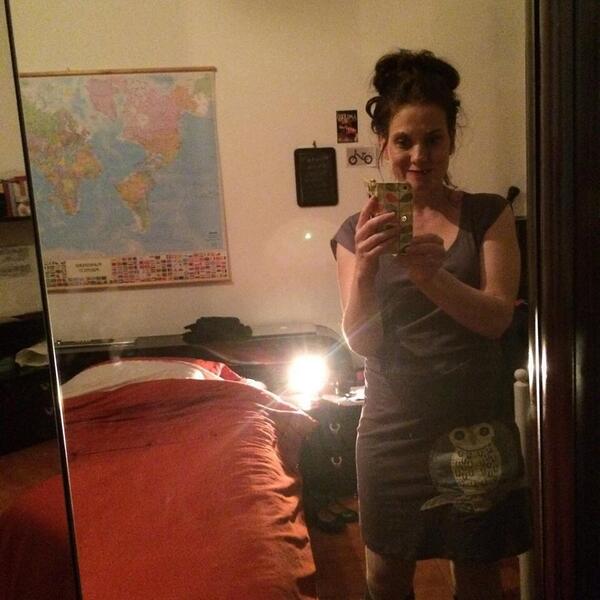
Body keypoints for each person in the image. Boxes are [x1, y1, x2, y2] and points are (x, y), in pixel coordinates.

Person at [331, 49, 531, 600]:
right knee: (384, 576)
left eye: (433, 140)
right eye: (404, 141)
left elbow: (497, 318)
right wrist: (366, 268)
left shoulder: (488, 213)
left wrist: (430, 277)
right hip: (391, 429)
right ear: (383, 145)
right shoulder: (354, 232)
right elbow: (362, 342)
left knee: (479, 575)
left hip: (475, 426)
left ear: (451, 141)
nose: (419, 156)